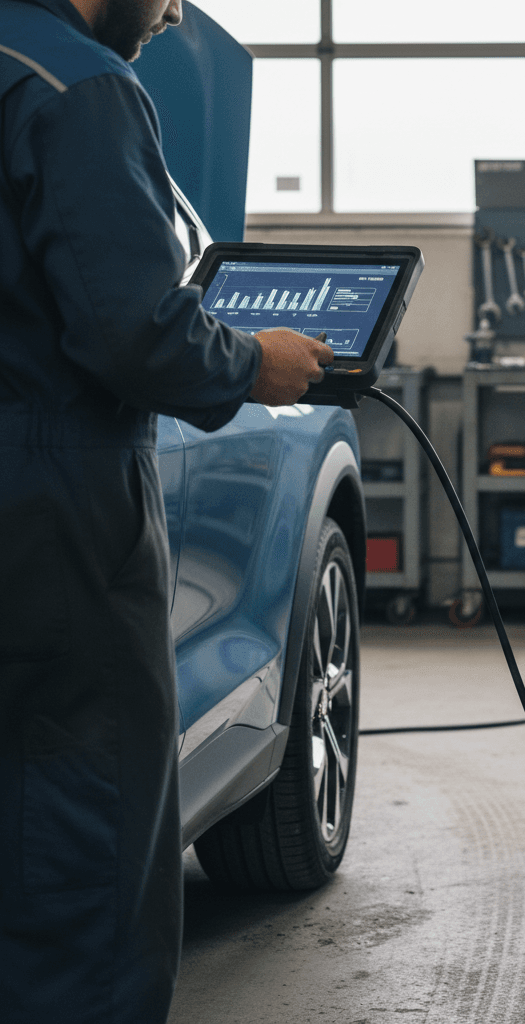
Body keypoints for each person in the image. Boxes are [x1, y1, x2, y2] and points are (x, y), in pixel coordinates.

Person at [0, 0, 334, 1020]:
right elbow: (140, 334)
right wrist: (253, 361)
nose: (175, 10)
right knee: (81, 840)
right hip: (51, 509)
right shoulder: (82, 88)